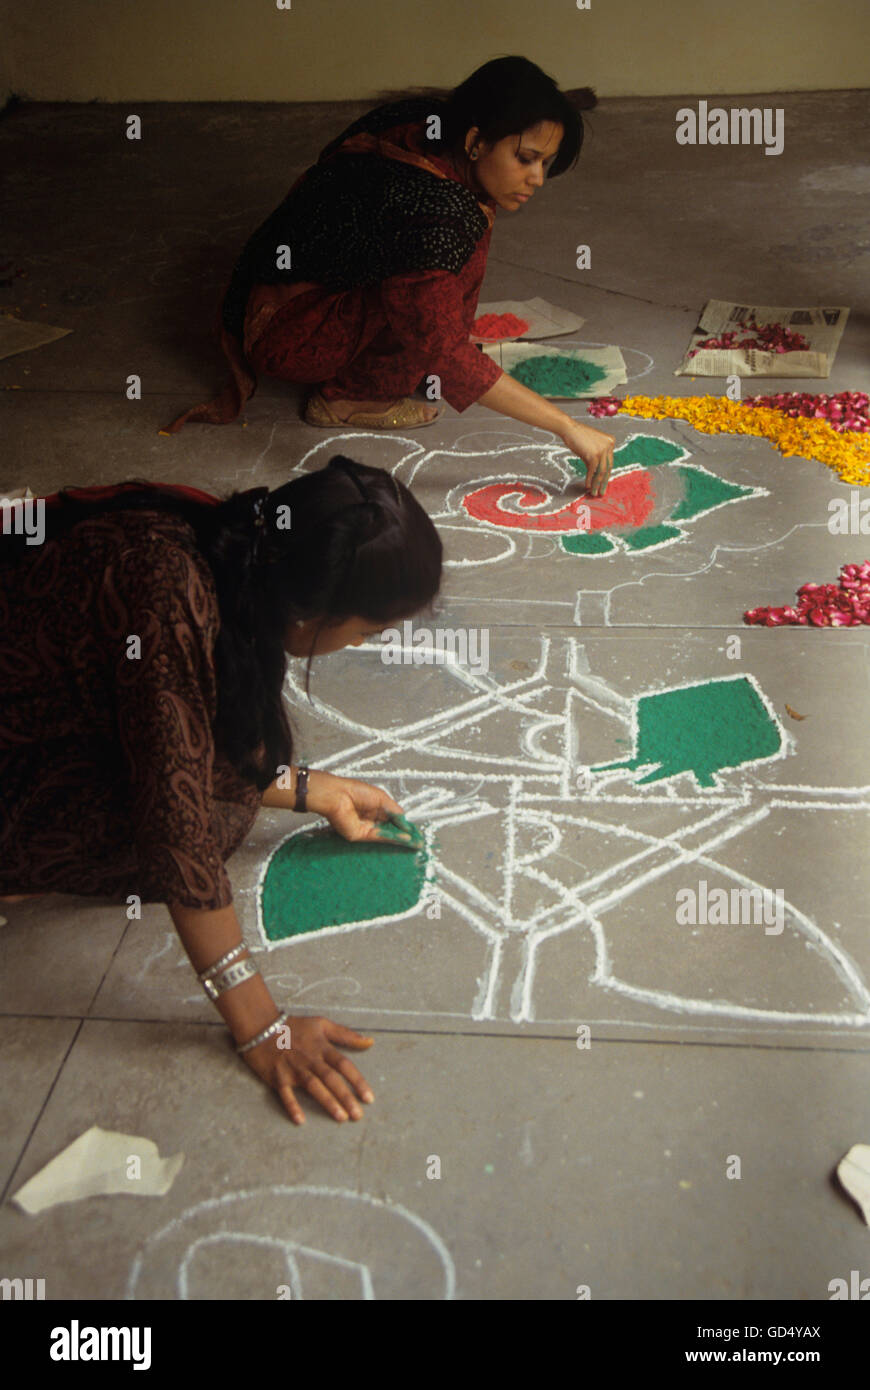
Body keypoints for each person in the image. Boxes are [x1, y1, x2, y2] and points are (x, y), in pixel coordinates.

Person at [0, 457, 441, 1125]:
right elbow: (175, 820)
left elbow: (186, 725)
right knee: (211, 820)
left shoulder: (236, 539)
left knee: (223, 795)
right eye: (369, 630)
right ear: (312, 610)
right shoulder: (164, 600)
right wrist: (262, 1026)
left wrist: (307, 790)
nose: (367, 644)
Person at [164, 56, 615, 498]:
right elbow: (442, 351)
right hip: (286, 330)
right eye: (526, 158)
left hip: (282, 287)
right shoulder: (431, 216)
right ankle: (350, 397)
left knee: (463, 224)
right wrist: (568, 426)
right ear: (476, 140)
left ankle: (383, 355)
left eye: (545, 164)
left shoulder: (429, 123)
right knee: (437, 279)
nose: (536, 178)